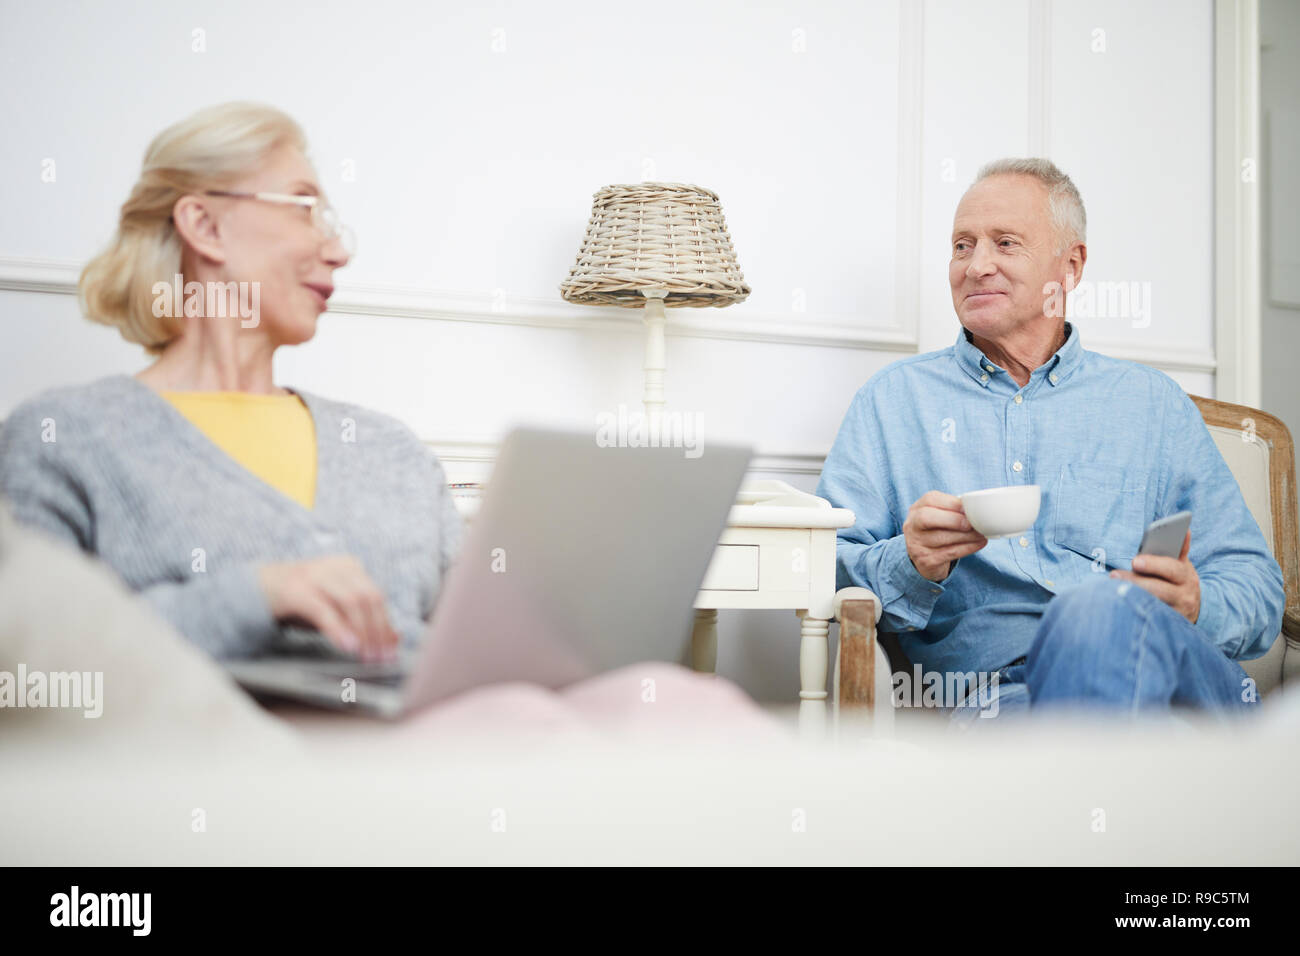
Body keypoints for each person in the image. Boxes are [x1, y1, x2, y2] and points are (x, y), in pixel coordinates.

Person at [816, 157, 1285, 728]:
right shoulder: (892, 403)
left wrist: (1195, 604)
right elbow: (826, 571)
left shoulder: (1151, 404)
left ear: (1070, 265)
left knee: (1099, 612)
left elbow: (1259, 592)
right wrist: (908, 560)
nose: (976, 265)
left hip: (1176, 675)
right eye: (962, 245)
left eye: (1004, 243)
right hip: (1004, 700)